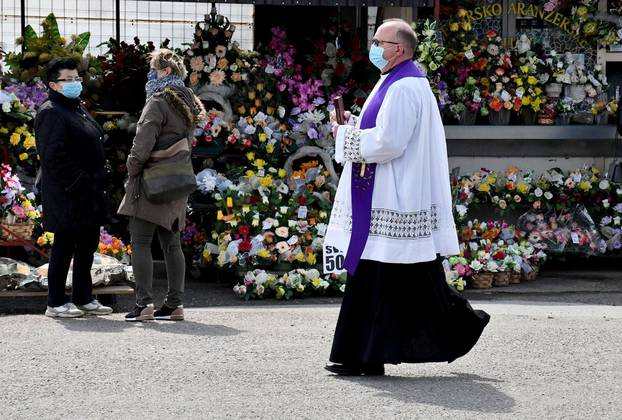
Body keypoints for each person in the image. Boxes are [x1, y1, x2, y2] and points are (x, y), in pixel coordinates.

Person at [324, 19, 490, 376]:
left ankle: (370, 354)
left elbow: (388, 143)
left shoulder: (404, 87)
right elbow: (382, 132)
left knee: (396, 281)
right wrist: (354, 126)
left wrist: (343, 136)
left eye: (379, 41)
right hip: (390, 194)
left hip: (395, 197)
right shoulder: (396, 80)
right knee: (388, 281)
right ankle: (363, 357)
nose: (374, 47)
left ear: (398, 48)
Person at [118, 49, 205, 322]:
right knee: (172, 243)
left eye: (155, 70)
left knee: (141, 241)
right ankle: (175, 304)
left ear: (166, 71)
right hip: (178, 181)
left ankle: (144, 304)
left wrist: (131, 169)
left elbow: (142, 144)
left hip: (151, 180)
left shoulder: (157, 101)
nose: (151, 75)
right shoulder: (188, 101)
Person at [35, 58, 112, 318]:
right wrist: (80, 181)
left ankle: (83, 296)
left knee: (87, 244)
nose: (75, 83)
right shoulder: (51, 111)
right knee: (65, 244)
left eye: (77, 78)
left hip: (88, 192)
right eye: (68, 79)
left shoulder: (76, 108)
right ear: (53, 85)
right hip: (68, 192)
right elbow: (52, 156)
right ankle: (55, 302)